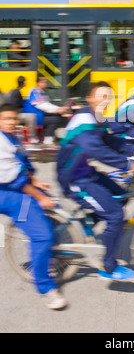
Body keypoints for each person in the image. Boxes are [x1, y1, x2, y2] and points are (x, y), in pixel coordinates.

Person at [57, 81, 134, 281]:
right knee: (116, 215)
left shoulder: (99, 118)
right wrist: (132, 165)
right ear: (90, 98)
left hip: (86, 172)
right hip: (74, 179)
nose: (104, 100)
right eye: (100, 96)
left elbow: (111, 141)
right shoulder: (83, 120)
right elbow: (97, 150)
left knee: (123, 197)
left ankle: (94, 227)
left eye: (108, 96)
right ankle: (108, 267)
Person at [0, 103, 67, 310]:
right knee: (42, 235)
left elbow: (21, 166)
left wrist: (36, 183)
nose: (11, 122)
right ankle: (45, 287)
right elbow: (13, 180)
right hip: (6, 193)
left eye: (13, 118)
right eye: (5, 119)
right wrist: (37, 193)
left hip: (16, 186)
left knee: (50, 206)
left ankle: (48, 254)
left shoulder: (13, 137)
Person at [23, 74, 68, 147]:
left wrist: (59, 109)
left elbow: (47, 104)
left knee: (58, 116)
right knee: (55, 119)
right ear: (38, 83)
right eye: (44, 82)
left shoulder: (41, 92)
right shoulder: (34, 92)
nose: (46, 84)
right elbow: (42, 105)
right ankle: (48, 141)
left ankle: (50, 138)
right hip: (34, 117)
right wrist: (58, 109)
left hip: (39, 115)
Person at [7, 76, 39, 144]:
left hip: (16, 113)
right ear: (23, 83)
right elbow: (15, 105)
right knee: (31, 117)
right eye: (25, 82)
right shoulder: (16, 92)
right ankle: (32, 138)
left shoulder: (16, 91)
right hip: (16, 115)